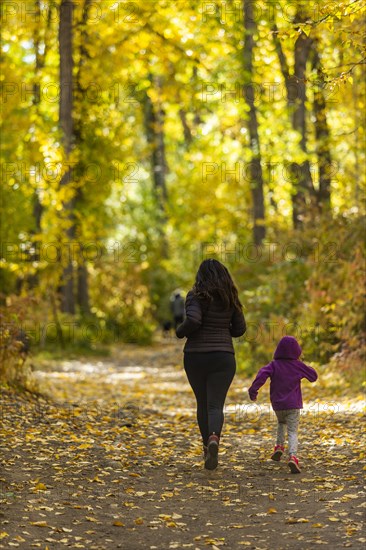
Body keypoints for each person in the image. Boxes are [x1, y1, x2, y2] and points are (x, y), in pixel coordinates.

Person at [176, 259, 246, 470]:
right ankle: (214, 438)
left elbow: (194, 320)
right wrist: (225, 329)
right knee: (215, 405)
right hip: (223, 357)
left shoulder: (195, 295)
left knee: (202, 403)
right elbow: (240, 329)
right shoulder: (230, 298)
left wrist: (180, 331)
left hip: (196, 356)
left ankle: (207, 448)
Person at [248, 335, 318, 474]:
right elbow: (313, 376)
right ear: (297, 351)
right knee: (292, 431)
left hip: (278, 405)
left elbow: (261, 375)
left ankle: (279, 447)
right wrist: (303, 365)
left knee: (281, 424)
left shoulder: (273, 365)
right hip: (293, 405)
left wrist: (253, 391)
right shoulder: (298, 366)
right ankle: (293, 456)